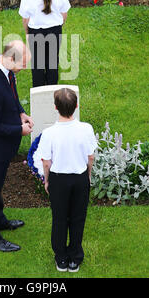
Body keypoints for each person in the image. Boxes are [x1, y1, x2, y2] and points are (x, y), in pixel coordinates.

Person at [0, 40, 33, 252]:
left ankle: (0, 219)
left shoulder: (5, 69)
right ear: (11, 58)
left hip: (3, 145)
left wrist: (21, 112)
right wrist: (19, 130)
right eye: (22, 64)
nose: (24, 69)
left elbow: (12, 96)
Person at [39, 88, 97, 273]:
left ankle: (61, 259)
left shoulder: (49, 133)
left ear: (55, 108)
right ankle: (75, 259)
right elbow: (90, 157)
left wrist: (47, 181)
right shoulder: (86, 129)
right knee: (78, 218)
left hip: (58, 180)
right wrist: (87, 176)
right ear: (76, 106)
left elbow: (46, 163)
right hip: (80, 178)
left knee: (59, 219)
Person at [19, 0, 71, 87]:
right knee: (52, 61)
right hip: (55, 31)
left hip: (35, 32)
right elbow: (64, 15)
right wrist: (58, 26)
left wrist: (27, 32)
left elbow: (25, 20)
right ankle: (52, 88)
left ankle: (38, 89)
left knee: (37, 63)